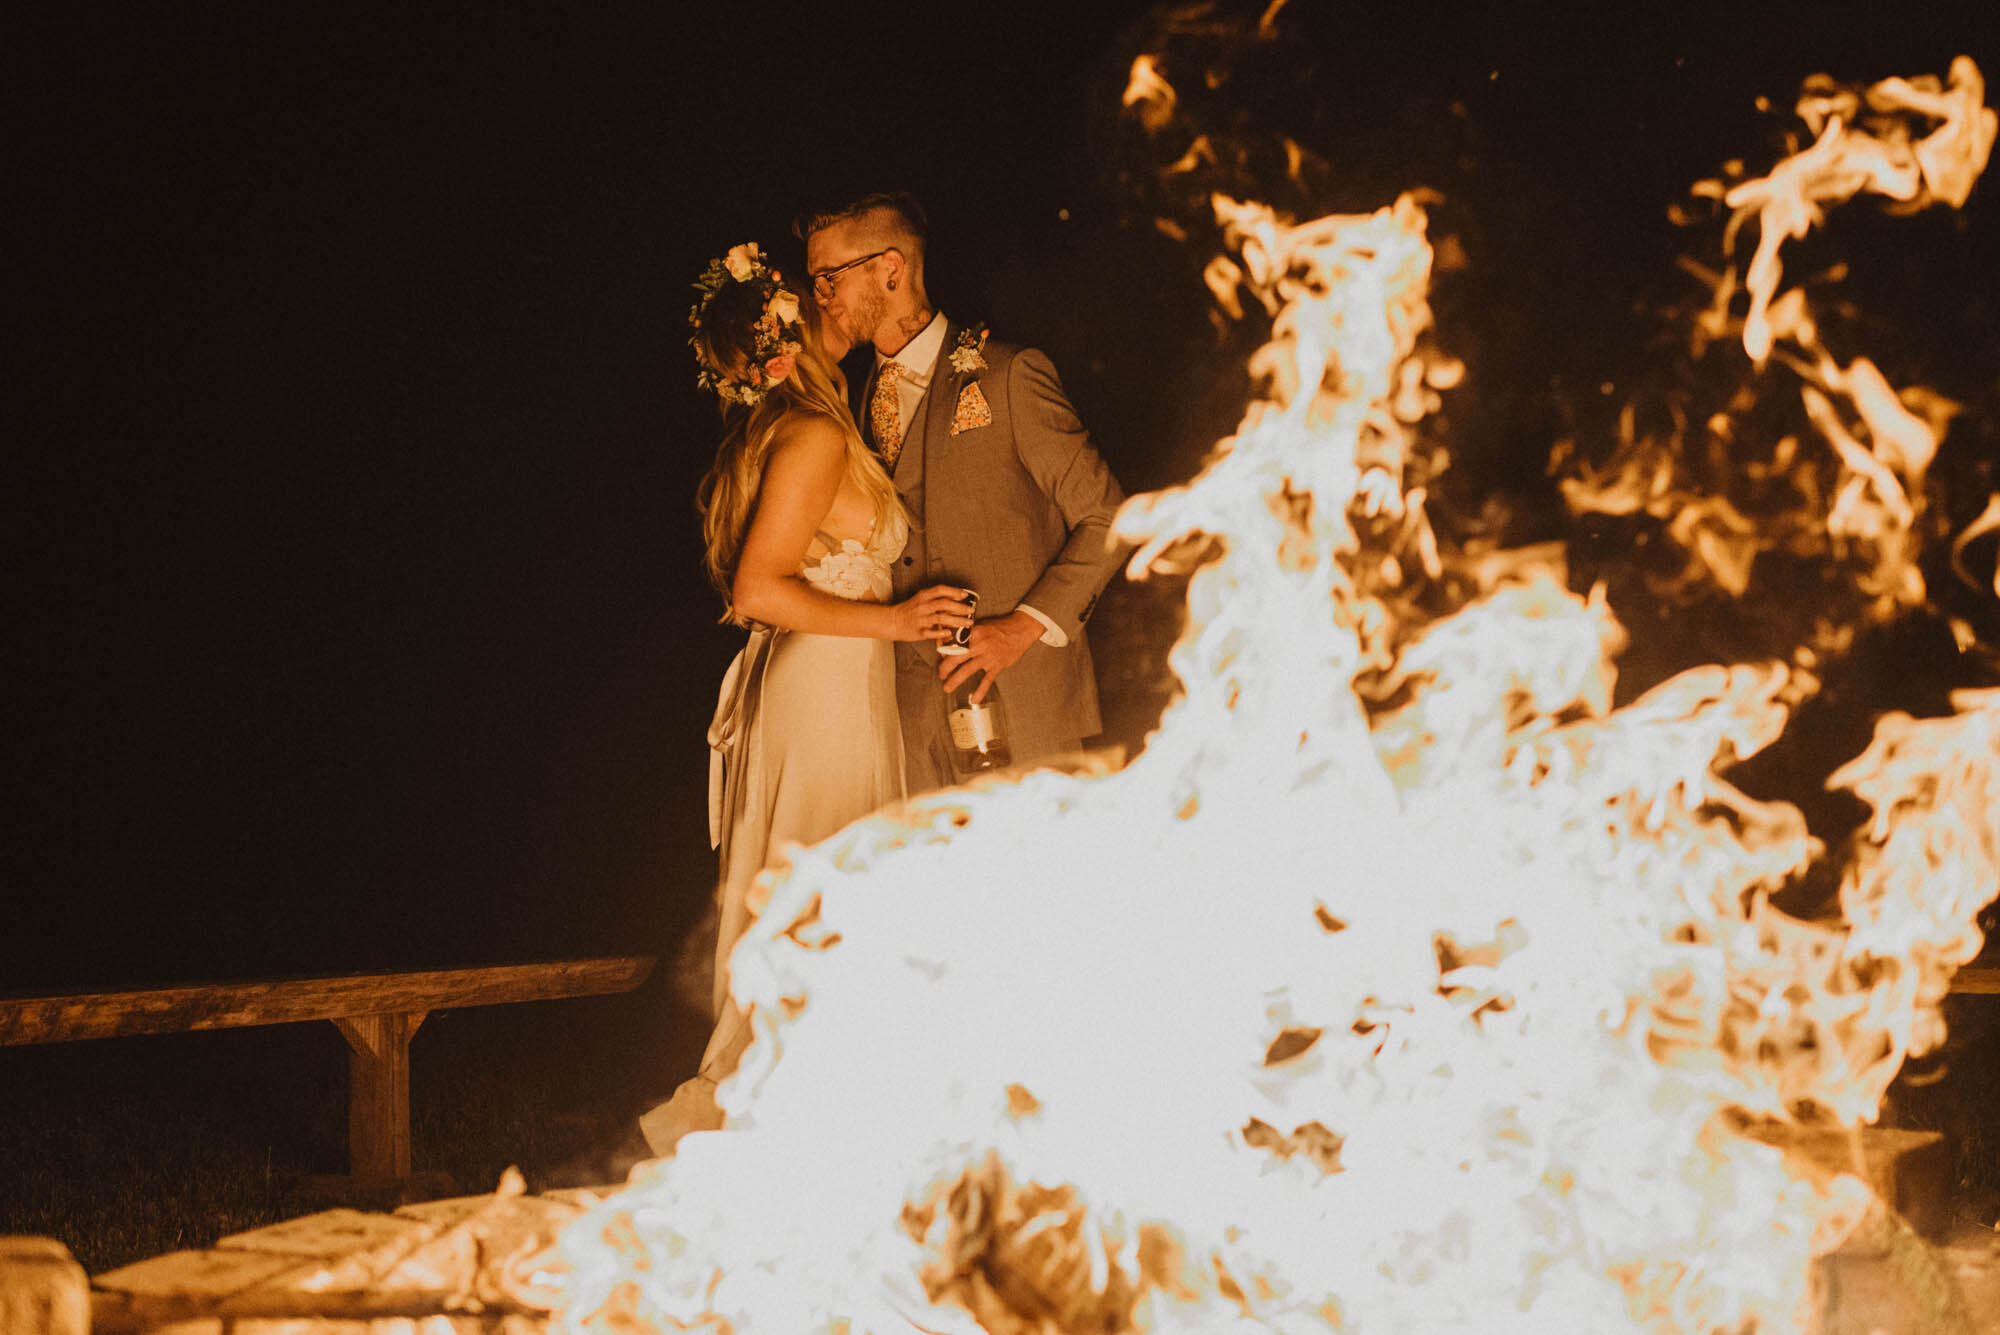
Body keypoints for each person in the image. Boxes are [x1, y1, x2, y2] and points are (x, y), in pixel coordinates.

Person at [636, 242, 975, 1156]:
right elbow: (756, 589)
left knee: (832, 910)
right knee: (826, 910)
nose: (830, 310)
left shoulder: (800, 428)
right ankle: (757, 1123)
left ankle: (825, 1126)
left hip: (829, 681)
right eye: (808, 305)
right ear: (782, 340)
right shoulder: (815, 436)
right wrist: (902, 623)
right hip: (823, 689)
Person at [799, 192, 1128, 794]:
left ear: (890, 269)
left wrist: (1020, 628)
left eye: (829, 279)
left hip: (1026, 712)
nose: (820, 299)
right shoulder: (840, 406)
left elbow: (1109, 516)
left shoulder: (1009, 375)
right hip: (902, 727)